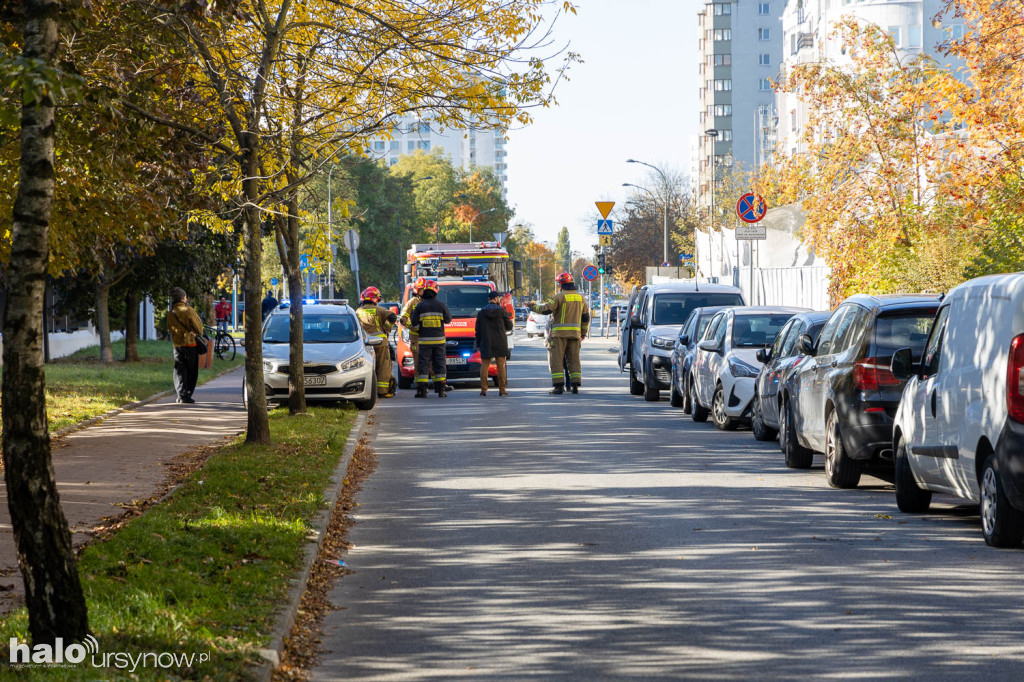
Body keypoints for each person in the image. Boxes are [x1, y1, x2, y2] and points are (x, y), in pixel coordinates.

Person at [528, 272, 590, 394]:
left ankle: (558, 386)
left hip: (559, 335)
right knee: (574, 359)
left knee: (557, 360)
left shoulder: (558, 297)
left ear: (561, 284)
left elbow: (545, 309)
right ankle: (575, 384)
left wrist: (532, 306)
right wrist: (583, 332)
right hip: (575, 335)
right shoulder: (580, 298)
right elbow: (585, 317)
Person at [410, 280, 452, 398]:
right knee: (440, 364)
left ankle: (422, 391)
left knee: (423, 364)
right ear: (436, 291)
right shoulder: (441, 305)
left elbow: (414, 323)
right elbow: (448, 320)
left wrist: (420, 330)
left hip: (424, 341)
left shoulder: (420, 306)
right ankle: (441, 390)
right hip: (439, 341)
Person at [356, 286, 398, 398]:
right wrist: (386, 329)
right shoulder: (379, 310)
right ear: (375, 299)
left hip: (364, 344)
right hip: (380, 343)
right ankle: (383, 391)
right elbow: (393, 316)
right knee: (383, 366)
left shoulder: (357, 312)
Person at [166, 287, 205, 404]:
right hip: (190, 344)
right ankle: (187, 394)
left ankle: (180, 394)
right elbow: (199, 328)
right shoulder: (188, 311)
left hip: (177, 345)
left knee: (179, 370)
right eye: (186, 297)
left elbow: (169, 328)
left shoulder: (170, 313)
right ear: (183, 298)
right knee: (191, 370)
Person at [475, 290, 513, 397]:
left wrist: (478, 344)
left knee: (485, 365)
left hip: (486, 342)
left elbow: (477, 330)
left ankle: (484, 389)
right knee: (501, 365)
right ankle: (502, 389)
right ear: (496, 299)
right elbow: (509, 326)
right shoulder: (502, 311)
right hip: (500, 341)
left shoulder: (481, 312)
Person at [400, 277, 428, 383]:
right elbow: (403, 319)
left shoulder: (429, 302)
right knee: (418, 362)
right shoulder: (412, 302)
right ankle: (419, 384)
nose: (424, 292)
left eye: (425, 290)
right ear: (416, 290)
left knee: (431, 361)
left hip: (428, 336)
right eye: (422, 289)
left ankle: (438, 384)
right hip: (416, 337)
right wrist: (413, 327)